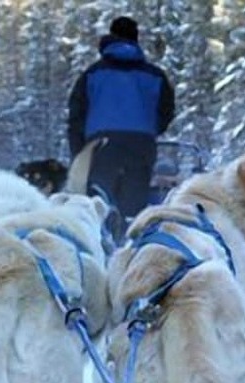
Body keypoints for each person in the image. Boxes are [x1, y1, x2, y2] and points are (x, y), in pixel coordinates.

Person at [67, 16, 175, 241]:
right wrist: (147, 131)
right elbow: (166, 114)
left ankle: (102, 252)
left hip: (101, 146)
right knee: (134, 210)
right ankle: (131, 252)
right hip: (141, 145)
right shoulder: (155, 76)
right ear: (136, 40)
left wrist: (79, 152)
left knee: (100, 207)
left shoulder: (92, 74)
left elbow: (76, 116)